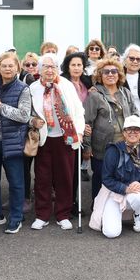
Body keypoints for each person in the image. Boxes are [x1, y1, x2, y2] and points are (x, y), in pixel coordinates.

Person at [29, 55, 85, 231]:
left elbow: (78, 111)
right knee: (42, 178)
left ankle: (63, 214)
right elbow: (28, 112)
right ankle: (42, 215)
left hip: (65, 136)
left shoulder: (66, 85)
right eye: (45, 66)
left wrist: (80, 131)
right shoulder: (33, 88)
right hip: (44, 139)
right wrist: (33, 121)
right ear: (39, 70)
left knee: (65, 177)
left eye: (53, 66)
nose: (49, 70)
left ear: (58, 68)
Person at [89, 116, 140, 238]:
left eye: (136, 129)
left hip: (135, 193)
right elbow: (106, 178)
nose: (133, 132)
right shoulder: (113, 150)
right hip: (113, 193)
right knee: (111, 233)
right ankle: (115, 214)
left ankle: (138, 214)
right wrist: (125, 189)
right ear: (124, 132)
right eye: (129, 129)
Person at [0, 53, 32, 234]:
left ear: (17, 68)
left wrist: (1, 107)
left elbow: (24, 116)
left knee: (16, 182)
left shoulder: (23, 89)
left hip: (12, 141)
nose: (7, 69)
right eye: (3, 66)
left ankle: (16, 217)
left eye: (11, 66)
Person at [83, 58, 138, 207]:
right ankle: (97, 208)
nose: (110, 74)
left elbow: (135, 114)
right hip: (102, 146)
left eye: (114, 71)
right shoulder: (94, 96)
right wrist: (87, 148)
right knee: (101, 178)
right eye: (106, 72)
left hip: (124, 145)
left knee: (122, 177)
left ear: (119, 74)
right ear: (100, 76)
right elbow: (87, 123)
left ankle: (120, 209)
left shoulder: (126, 93)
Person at [61, 52, 93, 183]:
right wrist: (79, 125)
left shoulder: (87, 82)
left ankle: (73, 200)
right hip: (68, 130)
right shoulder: (62, 82)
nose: (76, 68)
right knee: (66, 169)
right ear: (67, 67)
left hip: (85, 129)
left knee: (76, 169)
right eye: (73, 65)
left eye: (79, 65)